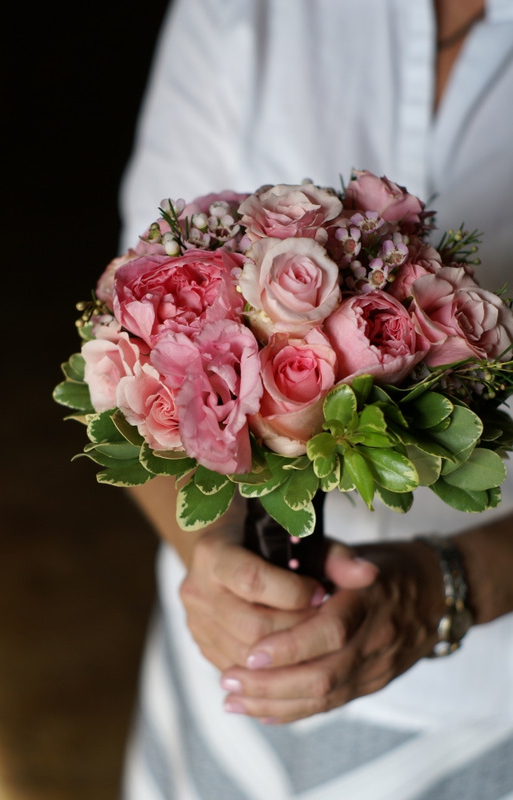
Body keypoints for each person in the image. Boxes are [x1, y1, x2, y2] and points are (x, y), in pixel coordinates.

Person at [118, 1, 513, 797]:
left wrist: (441, 591)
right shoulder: (243, 13)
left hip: (488, 710)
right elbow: (141, 349)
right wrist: (217, 565)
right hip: (223, 681)